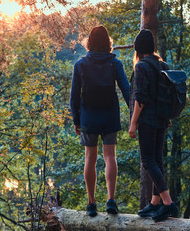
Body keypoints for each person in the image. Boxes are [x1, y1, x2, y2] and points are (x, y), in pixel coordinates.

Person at [70, 25, 129, 217]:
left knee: (90, 158)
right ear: (108, 43)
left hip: (88, 115)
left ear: (89, 43)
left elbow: (74, 97)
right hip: (109, 114)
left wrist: (76, 120)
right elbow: (127, 91)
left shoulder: (80, 64)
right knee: (110, 156)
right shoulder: (115, 63)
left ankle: (91, 203)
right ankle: (111, 200)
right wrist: (136, 114)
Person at [128, 29, 178, 222]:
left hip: (148, 120)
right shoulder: (161, 64)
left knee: (148, 161)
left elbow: (140, 98)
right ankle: (155, 202)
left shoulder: (141, 66)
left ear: (138, 48)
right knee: (157, 160)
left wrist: (133, 124)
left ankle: (168, 203)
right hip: (161, 120)